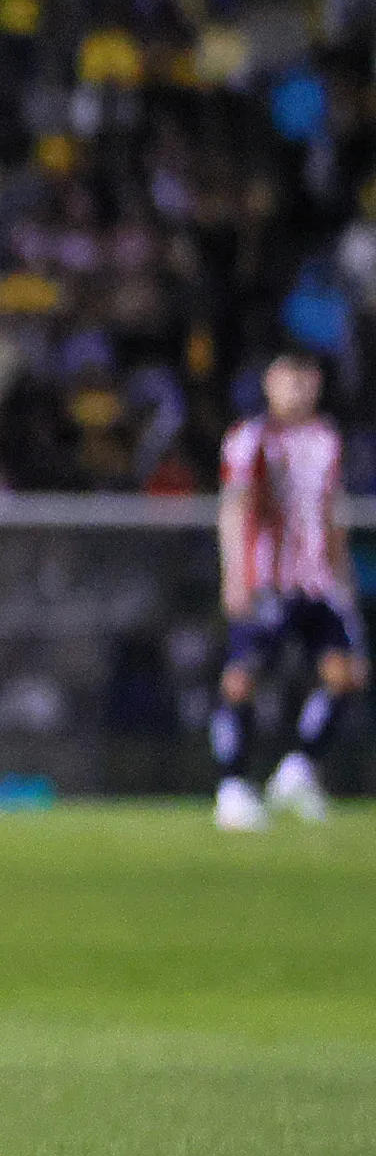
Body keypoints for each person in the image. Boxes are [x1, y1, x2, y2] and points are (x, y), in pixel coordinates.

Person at [215, 349, 360, 830]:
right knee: (243, 678)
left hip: (316, 580)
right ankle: (232, 787)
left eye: (305, 381)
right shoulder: (250, 438)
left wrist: (344, 580)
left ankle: (297, 770)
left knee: (346, 674)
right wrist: (235, 573)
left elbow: (331, 512)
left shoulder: (327, 438)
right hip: (267, 580)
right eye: (287, 380)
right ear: (269, 385)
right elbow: (234, 507)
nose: (297, 390)